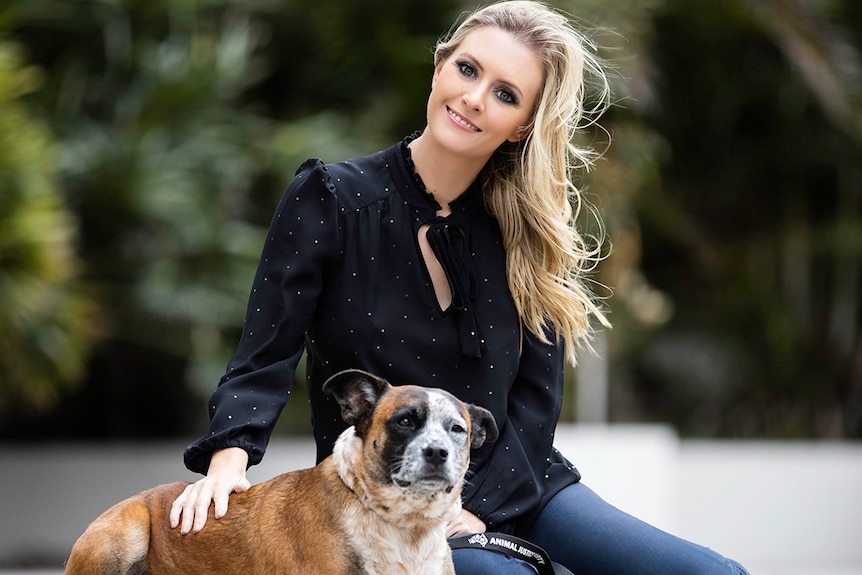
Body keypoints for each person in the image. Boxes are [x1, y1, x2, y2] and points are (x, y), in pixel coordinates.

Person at [170, 2, 750, 573]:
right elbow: (265, 353)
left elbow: (535, 405)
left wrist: (478, 507)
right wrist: (229, 463)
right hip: (389, 500)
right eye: (468, 70)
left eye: (506, 93)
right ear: (440, 67)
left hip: (522, 486)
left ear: (523, 124)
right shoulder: (331, 199)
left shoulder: (527, 233)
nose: (474, 97)